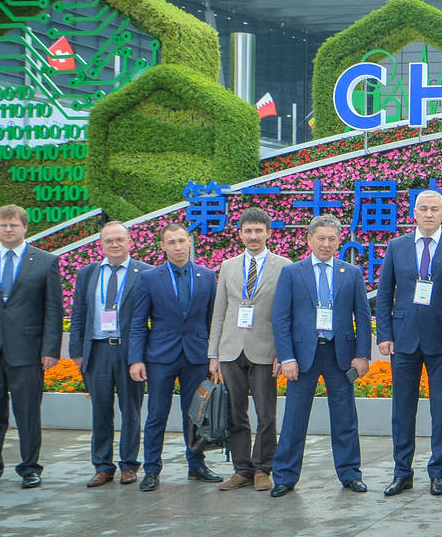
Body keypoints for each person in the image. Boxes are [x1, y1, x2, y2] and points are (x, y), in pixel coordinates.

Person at [0, 204, 63, 491]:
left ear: (25, 228)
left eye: (14, 225)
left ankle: (30, 468)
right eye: (3, 225)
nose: (8, 229)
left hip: (27, 351)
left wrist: (51, 349)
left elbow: (53, 310)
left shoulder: (45, 262)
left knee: (28, 414)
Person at [269, 215, 371, 497]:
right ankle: (285, 477)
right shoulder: (293, 272)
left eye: (332, 239)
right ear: (309, 239)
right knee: (294, 418)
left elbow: (363, 317)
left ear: (339, 242)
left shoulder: (351, 273)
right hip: (303, 356)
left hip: (340, 354)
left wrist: (362, 354)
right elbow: (281, 318)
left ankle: (350, 474)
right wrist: (287, 357)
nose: (326, 244)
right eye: (321, 238)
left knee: (345, 418)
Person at [377, 190, 442, 497]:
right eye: (424, 209)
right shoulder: (397, 246)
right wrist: (384, 334)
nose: (429, 214)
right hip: (404, 339)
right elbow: (385, 293)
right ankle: (402, 472)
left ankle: (438, 471)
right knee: (402, 409)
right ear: (414, 213)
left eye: (435, 209)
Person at [128, 222, 223, 492]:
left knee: (195, 415)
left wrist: (214, 355)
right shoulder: (149, 278)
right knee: (157, 414)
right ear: (163, 246)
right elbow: (139, 322)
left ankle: (196, 465)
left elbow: (212, 320)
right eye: (171, 242)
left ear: (190, 242)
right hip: (160, 356)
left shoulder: (207, 276)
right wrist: (136, 359)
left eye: (182, 241)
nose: (178, 247)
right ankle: (151, 469)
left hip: (196, 355)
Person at [208, 207, 290, 492]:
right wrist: (214, 354)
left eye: (258, 231)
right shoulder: (228, 266)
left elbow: (286, 313)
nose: (253, 236)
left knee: (266, 414)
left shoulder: (284, 266)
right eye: (248, 231)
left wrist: (283, 352)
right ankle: (241, 469)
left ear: (268, 233)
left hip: (265, 349)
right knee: (235, 413)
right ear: (240, 234)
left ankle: (263, 468)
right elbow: (219, 312)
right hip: (231, 349)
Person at [71, 221, 150, 487]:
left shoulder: (145, 273)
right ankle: (102, 466)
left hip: (130, 352)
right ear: (101, 244)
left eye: (119, 239)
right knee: (100, 410)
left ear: (130, 242)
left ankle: (129, 464)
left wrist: (142, 356)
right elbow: (78, 314)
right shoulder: (88, 273)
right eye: (108, 240)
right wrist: (77, 352)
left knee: (131, 411)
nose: (114, 244)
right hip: (97, 350)